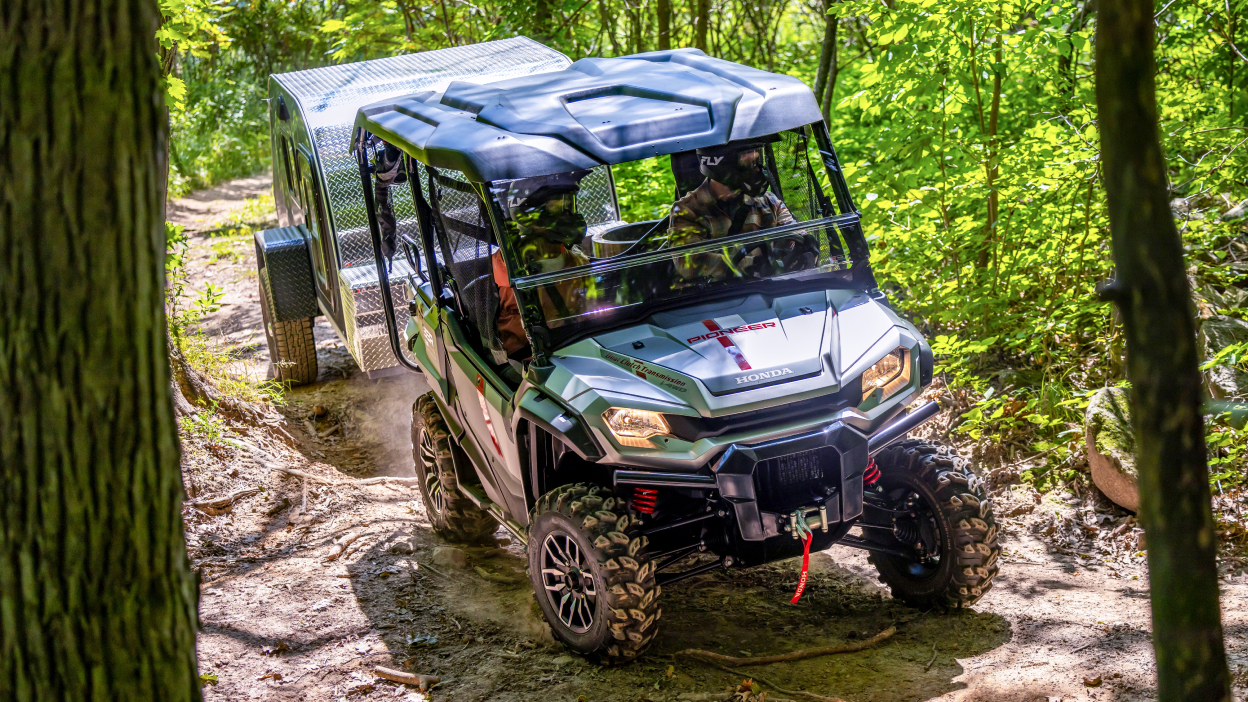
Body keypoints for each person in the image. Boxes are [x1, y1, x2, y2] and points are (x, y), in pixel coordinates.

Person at [664, 140, 815, 283]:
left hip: (772, 291)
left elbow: (793, 231)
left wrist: (805, 243)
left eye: (755, 162)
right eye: (748, 164)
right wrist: (754, 265)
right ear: (721, 166)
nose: (756, 170)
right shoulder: (687, 210)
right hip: (721, 301)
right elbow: (689, 263)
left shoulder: (768, 201)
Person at [490, 171, 591, 358]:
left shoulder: (578, 262)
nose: (569, 215)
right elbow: (507, 270)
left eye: (570, 205)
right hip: (527, 357)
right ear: (530, 213)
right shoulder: (508, 263)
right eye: (558, 206)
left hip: (574, 346)